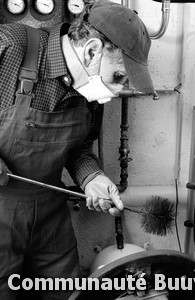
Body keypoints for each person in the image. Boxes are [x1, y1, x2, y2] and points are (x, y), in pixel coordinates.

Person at [0, 1, 154, 299]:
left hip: (50, 215)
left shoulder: (90, 94)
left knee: (67, 293)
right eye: (119, 77)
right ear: (92, 50)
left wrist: (91, 177)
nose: (116, 90)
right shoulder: (9, 45)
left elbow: (77, 147)